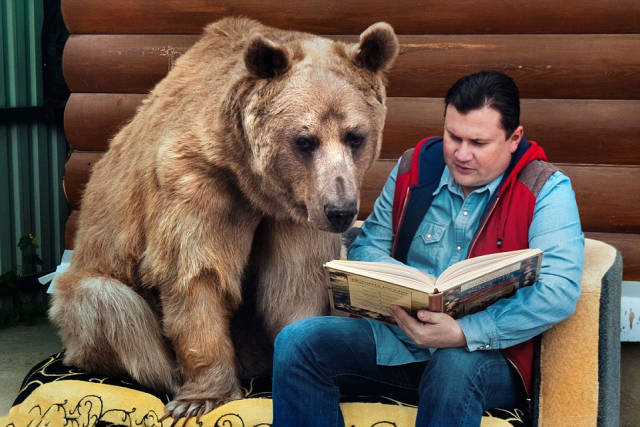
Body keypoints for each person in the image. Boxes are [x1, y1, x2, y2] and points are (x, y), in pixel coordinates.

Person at [271, 71, 584, 426]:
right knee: (300, 342)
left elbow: (558, 290)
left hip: (486, 356)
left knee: (453, 366)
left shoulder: (546, 188)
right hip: (400, 340)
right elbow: (368, 246)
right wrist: (406, 282)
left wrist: (464, 332)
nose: (462, 154)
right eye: (453, 137)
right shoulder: (414, 167)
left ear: (514, 139)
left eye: (478, 143)